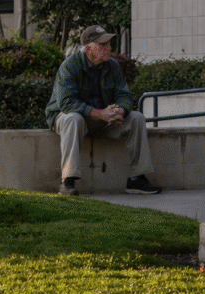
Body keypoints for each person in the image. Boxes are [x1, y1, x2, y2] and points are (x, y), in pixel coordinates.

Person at [45, 26, 162, 196]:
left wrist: (119, 111)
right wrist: (100, 113)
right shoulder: (69, 66)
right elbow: (66, 103)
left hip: (103, 121)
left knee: (136, 117)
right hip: (73, 119)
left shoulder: (113, 66)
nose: (109, 48)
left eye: (109, 44)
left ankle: (136, 179)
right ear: (88, 48)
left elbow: (124, 95)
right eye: (103, 45)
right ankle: (67, 181)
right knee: (73, 119)